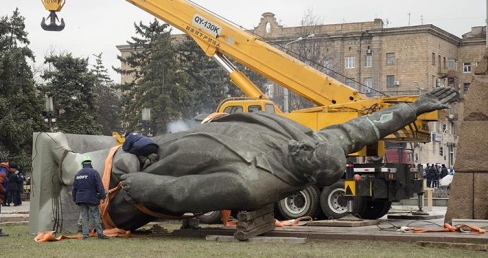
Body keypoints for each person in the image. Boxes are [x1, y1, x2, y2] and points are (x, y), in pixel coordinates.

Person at [35, 86, 457, 232]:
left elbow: (186, 193)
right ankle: (83, 163)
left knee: (123, 168)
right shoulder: (316, 139)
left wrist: (145, 188)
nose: (301, 142)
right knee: (130, 151)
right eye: (310, 141)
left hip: (144, 185)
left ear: (309, 171)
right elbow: (368, 127)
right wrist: (414, 108)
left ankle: (74, 173)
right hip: (161, 148)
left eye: (306, 152)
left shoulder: (254, 183)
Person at [72, 156, 108, 239]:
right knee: (96, 216)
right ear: (90, 163)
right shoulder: (94, 172)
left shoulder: (78, 174)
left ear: (82, 164)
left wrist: (75, 199)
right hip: (92, 198)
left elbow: (74, 188)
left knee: (84, 217)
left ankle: (85, 235)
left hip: (80, 199)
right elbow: (100, 186)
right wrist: (103, 196)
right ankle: (100, 234)